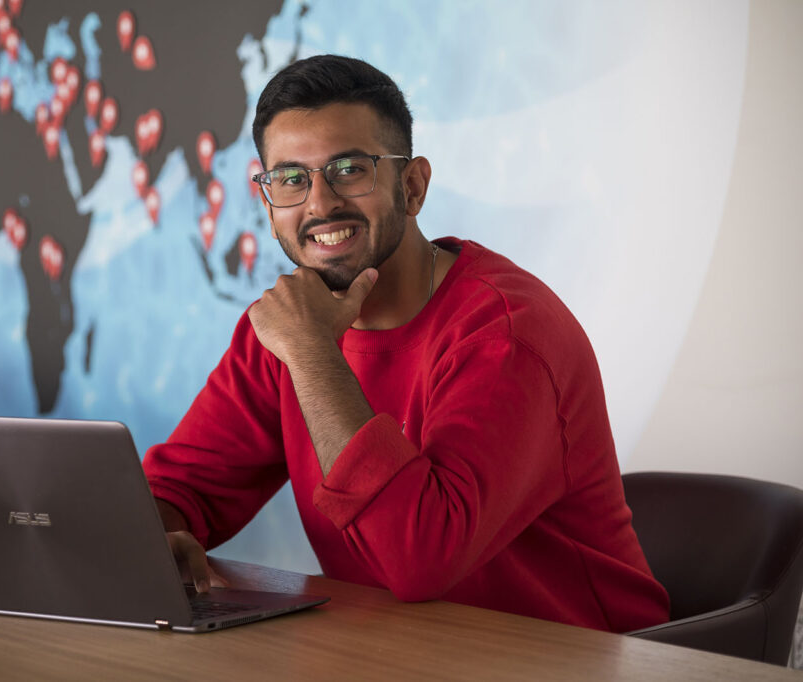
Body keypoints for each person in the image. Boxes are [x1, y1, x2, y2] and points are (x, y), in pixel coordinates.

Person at [143, 55, 669, 632]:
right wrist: (161, 535)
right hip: (402, 651)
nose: (319, 204)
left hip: (586, 660)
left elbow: (420, 560)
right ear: (269, 205)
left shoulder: (506, 332)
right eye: (291, 179)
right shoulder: (288, 329)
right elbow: (178, 489)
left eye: (350, 169)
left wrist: (313, 352)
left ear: (413, 186)